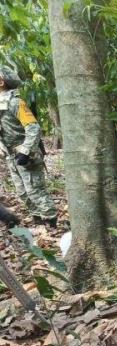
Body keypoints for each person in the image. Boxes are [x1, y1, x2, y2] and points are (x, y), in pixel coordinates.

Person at [0, 66, 57, 228]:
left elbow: (33, 127)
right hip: (10, 156)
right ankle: (38, 219)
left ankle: (50, 222)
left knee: (35, 190)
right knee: (22, 193)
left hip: (26, 155)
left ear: (1, 82)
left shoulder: (15, 102)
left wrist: (25, 151)